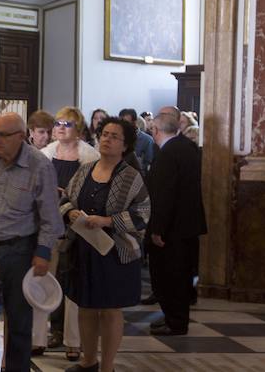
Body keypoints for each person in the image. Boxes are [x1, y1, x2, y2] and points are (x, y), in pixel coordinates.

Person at [0, 112, 63, 372]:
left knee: (18, 323)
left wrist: (43, 253)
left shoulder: (39, 166)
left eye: (3, 135)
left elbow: (51, 217)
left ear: (21, 137)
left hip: (19, 251)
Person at [63, 117, 150, 372]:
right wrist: (70, 213)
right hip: (84, 249)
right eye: (104, 134)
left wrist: (107, 220)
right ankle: (88, 361)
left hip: (116, 253)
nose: (107, 139)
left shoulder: (130, 176)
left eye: (114, 136)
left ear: (125, 146)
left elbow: (142, 214)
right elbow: (66, 198)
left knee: (110, 310)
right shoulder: (85, 170)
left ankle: (107, 367)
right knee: (86, 307)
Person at [39, 107, 100, 360]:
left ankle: (74, 341)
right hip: (47, 223)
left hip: (76, 224)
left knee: (73, 282)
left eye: (67, 124)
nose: (61, 128)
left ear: (79, 129)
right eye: (58, 123)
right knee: (42, 279)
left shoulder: (90, 156)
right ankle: (38, 338)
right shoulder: (44, 154)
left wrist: (68, 198)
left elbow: (95, 192)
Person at [145, 110, 206, 336]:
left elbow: (165, 195)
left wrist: (157, 229)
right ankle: (173, 318)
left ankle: (176, 322)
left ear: (156, 131)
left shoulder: (167, 153)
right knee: (180, 277)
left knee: (170, 277)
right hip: (187, 225)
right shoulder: (187, 147)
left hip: (172, 229)